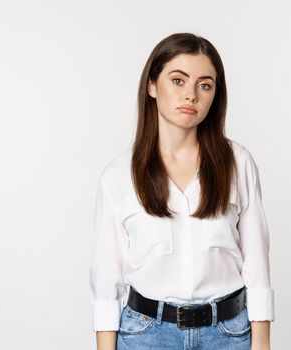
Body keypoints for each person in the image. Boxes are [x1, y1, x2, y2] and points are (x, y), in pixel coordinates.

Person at [90, 32, 275, 350]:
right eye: (178, 81)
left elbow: (257, 264)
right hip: (146, 336)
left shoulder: (238, 163)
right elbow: (106, 285)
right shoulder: (118, 176)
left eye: (205, 85)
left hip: (228, 335)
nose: (191, 95)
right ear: (151, 85)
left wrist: (261, 344)